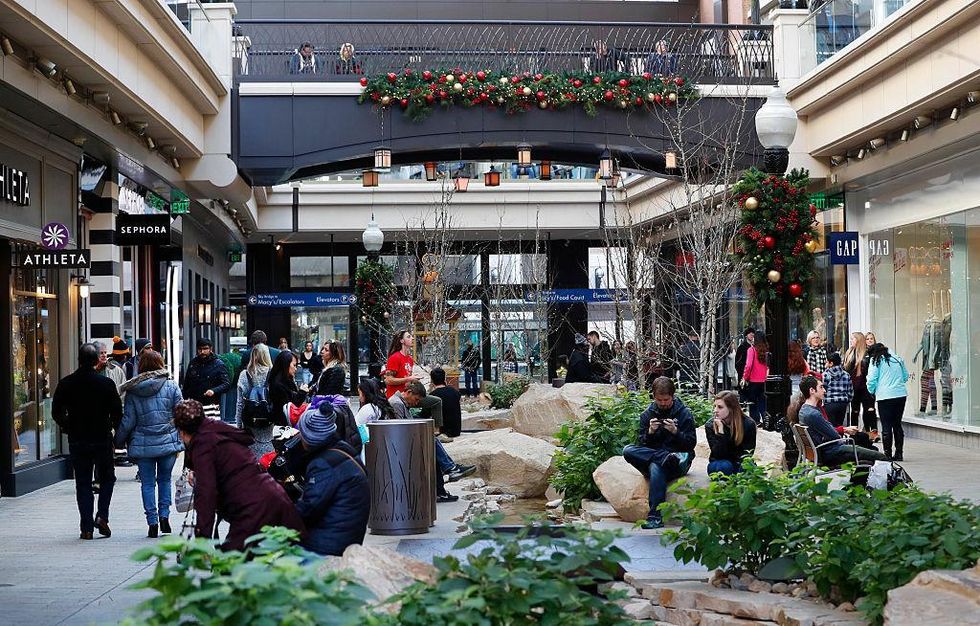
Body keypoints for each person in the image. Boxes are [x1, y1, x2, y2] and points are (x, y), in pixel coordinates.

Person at [173, 399, 304, 551]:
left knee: (232, 562)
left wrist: (203, 542)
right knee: (298, 553)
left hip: (252, 507)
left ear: (182, 431)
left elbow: (206, 494)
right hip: (272, 496)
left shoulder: (203, 443)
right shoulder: (216, 430)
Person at [52, 343, 123, 540]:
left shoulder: (67, 383)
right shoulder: (106, 384)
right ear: (94, 361)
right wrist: (116, 434)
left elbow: (56, 411)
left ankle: (86, 527)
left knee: (83, 483)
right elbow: (117, 413)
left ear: (79, 360)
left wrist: (68, 426)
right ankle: (102, 516)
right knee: (108, 478)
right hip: (101, 437)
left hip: (78, 439)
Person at [115, 350, 183, 538]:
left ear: (141, 366)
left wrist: (117, 441)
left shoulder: (133, 391)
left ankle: (152, 522)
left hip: (143, 444)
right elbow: (181, 414)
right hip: (167, 442)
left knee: (147, 484)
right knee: (164, 480)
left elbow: (128, 420)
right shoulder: (171, 386)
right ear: (161, 363)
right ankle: (164, 517)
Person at [293, 401, 370, 556]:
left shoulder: (323, 464)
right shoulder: (342, 450)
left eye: (301, 432)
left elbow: (309, 509)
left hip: (328, 545)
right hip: (347, 536)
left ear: (309, 438)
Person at [623, 377, 697, 529]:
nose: (663, 403)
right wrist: (650, 432)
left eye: (666, 400)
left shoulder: (684, 414)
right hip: (657, 456)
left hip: (678, 460)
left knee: (656, 467)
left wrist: (676, 432)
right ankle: (663, 457)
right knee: (628, 450)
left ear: (673, 396)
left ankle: (655, 518)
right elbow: (642, 445)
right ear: (654, 397)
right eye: (659, 400)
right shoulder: (647, 414)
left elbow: (691, 445)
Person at [791, 376, 886, 467]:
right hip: (831, 452)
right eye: (821, 387)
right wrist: (843, 431)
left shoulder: (804, 410)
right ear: (812, 391)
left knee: (870, 453)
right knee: (880, 456)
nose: (824, 390)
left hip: (824, 451)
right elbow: (834, 436)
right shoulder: (813, 414)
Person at [866, 342, 909, 461]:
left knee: (886, 426)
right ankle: (899, 453)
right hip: (900, 395)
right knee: (897, 424)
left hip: (885, 396)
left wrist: (872, 391)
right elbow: (905, 376)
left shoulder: (876, 360)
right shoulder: (897, 358)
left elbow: (871, 379)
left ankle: (887, 454)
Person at [705, 390, 757, 477]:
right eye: (715, 406)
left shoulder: (748, 424)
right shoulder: (710, 425)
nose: (715, 410)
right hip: (720, 462)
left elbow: (747, 453)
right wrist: (721, 432)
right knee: (724, 467)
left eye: (720, 407)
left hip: (739, 462)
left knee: (748, 467)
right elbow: (718, 454)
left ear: (731, 408)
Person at [183, 337, 231, 419]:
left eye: (205, 349)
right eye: (200, 349)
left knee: (210, 430)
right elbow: (186, 384)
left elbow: (226, 384)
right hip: (194, 405)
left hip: (211, 405)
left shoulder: (218, 364)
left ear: (210, 349)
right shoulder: (193, 363)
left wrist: (213, 390)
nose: (202, 352)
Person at [843, 331, 875, 431]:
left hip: (865, 387)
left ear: (859, 340)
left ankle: (871, 432)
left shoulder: (866, 354)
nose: (851, 340)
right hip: (853, 387)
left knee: (869, 410)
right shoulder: (849, 352)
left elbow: (870, 372)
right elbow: (846, 369)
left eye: (853, 338)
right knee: (855, 411)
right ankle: (854, 433)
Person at [741, 332, 769, 424]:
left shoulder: (751, 350)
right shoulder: (767, 351)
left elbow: (748, 365)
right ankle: (766, 419)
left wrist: (744, 377)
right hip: (765, 380)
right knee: (763, 402)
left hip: (753, 380)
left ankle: (755, 421)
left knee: (753, 402)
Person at [385, 330, 420, 398]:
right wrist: (409, 378)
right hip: (394, 398)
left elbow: (406, 378)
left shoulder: (410, 359)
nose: (412, 338)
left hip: (405, 397)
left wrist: (413, 379)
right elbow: (388, 380)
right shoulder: (395, 357)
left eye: (412, 336)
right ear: (402, 341)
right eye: (408, 337)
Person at [822, 353, 853, 428]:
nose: (825, 363)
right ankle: (840, 439)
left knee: (830, 427)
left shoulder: (826, 374)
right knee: (840, 426)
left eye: (827, 362)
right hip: (842, 403)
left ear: (831, 363)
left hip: (830, 403)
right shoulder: (846, 374)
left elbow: (823, 390)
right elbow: (850, 391)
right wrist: (846, 400)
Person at [430, 367, 462, 438]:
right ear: (444, 379)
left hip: (443, 432)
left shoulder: (433, 395)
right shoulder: (454, 391)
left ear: (432, 380)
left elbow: (425, 414)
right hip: (456, 430)